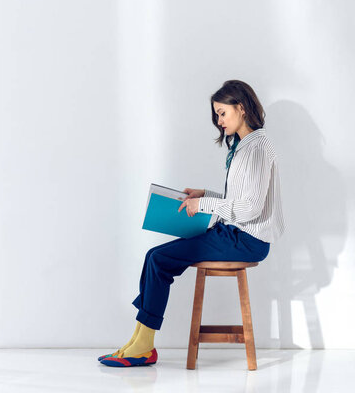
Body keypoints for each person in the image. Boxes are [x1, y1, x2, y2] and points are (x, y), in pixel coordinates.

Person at [99, 79, 285, 367]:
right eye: (217, 115)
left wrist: (204, 205)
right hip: (234, 234)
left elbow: (250, 208)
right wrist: (205, 195)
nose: (219, 121)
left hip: (248, 241)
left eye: (223, 113)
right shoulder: (244, 146)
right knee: (155, 257)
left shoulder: (257, 149)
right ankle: (138, 338)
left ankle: (143, 345)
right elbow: (239, 199)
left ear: (242, 107)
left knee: (159, 259)